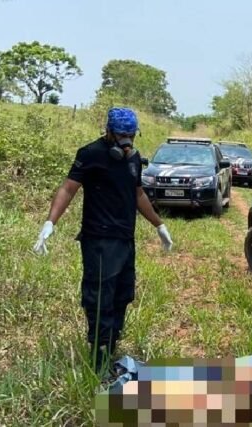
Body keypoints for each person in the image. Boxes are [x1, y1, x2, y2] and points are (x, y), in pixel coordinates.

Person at [32, 107, 174, 373]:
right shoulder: (91, 154)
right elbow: (68, 188)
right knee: (99, 299)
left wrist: (159, 224)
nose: (126, 141)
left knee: (122, 295)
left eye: (131, 135)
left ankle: (110, 348)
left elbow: (138, 194)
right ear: (108, 131)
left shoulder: (133, 159)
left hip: (124, 239)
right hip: (99, 240)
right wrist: (50, 222)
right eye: (121, 135)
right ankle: (97, 360)